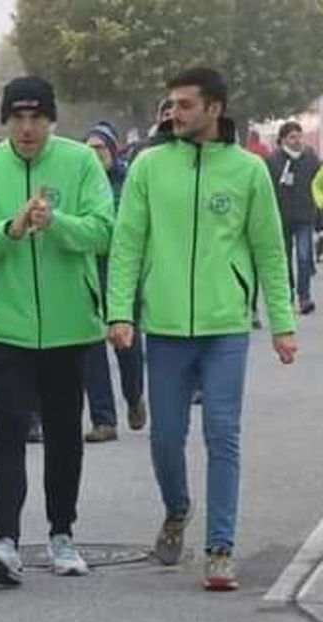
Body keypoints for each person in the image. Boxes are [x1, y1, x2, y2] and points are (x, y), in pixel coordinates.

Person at [108, 67, 297, 591]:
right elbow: (127, 243)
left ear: (214, 108)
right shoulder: (148, 166)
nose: (174, 113)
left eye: (186, 104)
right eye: (171, 104)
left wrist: (281, 323)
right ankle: (177, 508)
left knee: (223, 435)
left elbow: (269, 251)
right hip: (165, 327)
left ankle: (220, 547)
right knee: (166, 439)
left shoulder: (247, 171)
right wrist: (120, 311)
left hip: (224, 328)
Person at [0, 76, 115, 587]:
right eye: (18, 119)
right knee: (6, 433)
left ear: (52, 119)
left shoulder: (79, 161)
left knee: (65, 434)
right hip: (5, 325)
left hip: (71, 325)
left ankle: (62, 535)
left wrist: (57, 223)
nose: (28, 129)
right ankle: (4, 541)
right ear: (5, 122)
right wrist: (12, 229)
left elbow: (104, 230)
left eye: (37, 118)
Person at [82, 121, 146, 443]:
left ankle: (134, 397)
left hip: (122, 273)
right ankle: (103, 419)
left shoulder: (129, 180)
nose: (95, 154)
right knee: (92, 347)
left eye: (100, 148)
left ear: (112, 149)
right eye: (89, 148)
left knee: (128, 346)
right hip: (88, 274)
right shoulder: (80, 183)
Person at [267, 121, 319, 315]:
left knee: (304, 257)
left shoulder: (311, 159)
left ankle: (304, 297)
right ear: (283, 139)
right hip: (281, 216)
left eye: (299, 136)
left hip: (305, 215)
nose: (297, 141)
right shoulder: (273, 161)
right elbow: (267, 190)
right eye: (292, 137)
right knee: (285, 258)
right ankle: (287, 295)